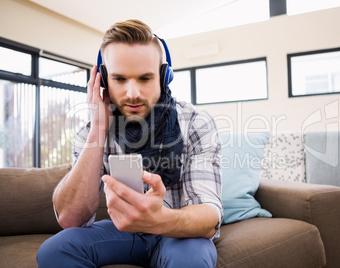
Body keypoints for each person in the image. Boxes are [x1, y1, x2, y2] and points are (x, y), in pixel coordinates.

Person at [37, 19, 222, 268]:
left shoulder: (196, 123)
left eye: (145, 78)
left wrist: (158, 219)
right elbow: (70, 218)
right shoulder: (90, 131)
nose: (132, 93)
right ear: (103, 82)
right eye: (120, 79)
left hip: (178, 232)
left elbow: (209, 217)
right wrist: (98, 130)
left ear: (164, 77)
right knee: (54, 250)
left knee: (191, 259)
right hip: (121, 233)